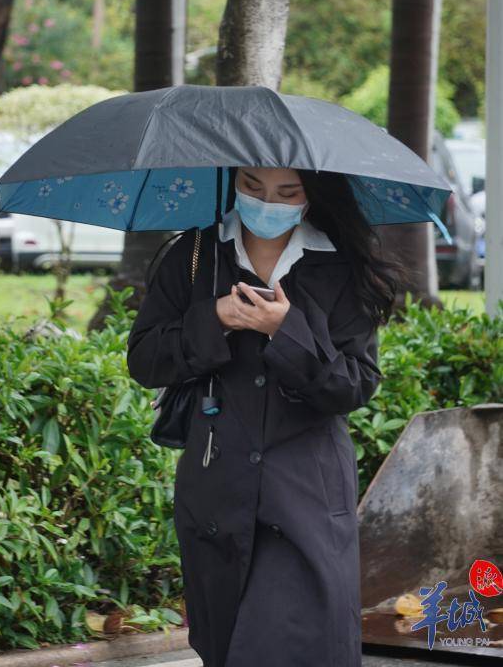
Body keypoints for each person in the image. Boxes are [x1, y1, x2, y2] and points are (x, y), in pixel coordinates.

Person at [127, 166, 407, 667]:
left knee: (291, 640)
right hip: (216, 489)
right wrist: (215, 318)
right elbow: (146, 358)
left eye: (287, 191)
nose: (267, 201)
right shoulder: (194, 255)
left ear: (310, 194)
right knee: (224, 640)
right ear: (232, 180)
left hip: (307, 492)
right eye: (252, 186)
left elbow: (354, 383)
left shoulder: (339, 266)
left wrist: (287, 331)